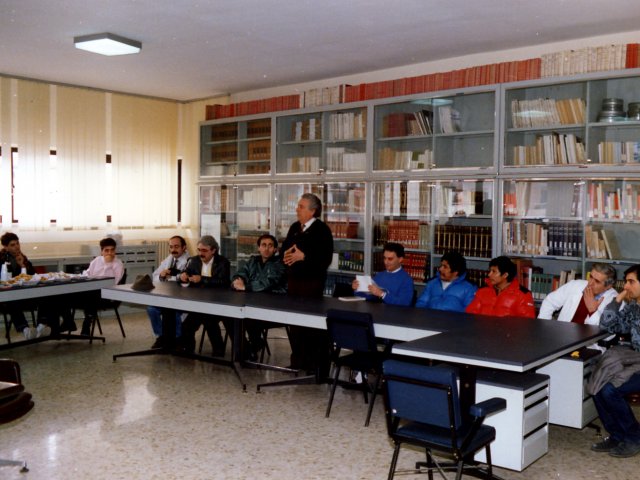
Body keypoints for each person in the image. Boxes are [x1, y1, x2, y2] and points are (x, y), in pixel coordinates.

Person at [589, 264, 640, 458]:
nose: (626, 286)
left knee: (610, 390)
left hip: (636, 361)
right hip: (634, 357)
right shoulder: (635, 306)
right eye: (625, 281)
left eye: (631, 282)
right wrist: (618, 299)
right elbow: (608, 324)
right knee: (597, 382)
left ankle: (634, 436)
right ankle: (618, 435)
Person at [281, 193, 333, 373]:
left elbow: (325, 258)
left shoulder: (322, 230)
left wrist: (304, 256)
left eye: (301, 206)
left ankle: (314, 365)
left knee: (311, 326)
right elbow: (285, 249)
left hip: (311, 284)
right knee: (294, 324)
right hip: (294, 282)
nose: (297, 209)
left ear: (312, 211)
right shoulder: (295, 227)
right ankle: (297, 360)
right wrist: (287, 255)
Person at [231, 233, 287, 358]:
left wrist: (246, 287)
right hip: (253, 302)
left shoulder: (279, 264)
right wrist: (237, 280)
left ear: (275, 249)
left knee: (249, 318)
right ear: (258, 248)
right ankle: (246, 349)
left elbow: (268, 283)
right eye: (263, 245)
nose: (266, 249)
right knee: (231, 316)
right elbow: (241, 272)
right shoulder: (253, 261)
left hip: (273, 306)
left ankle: (253, 346)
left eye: (270, 246)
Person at [178, 235, 231, 355]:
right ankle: (188, 349)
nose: (201, 253)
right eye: (199, 250)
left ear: (213, 250)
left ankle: (218, 350)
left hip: (218, 302)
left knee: (208, 320)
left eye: (204, 251)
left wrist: (202, 279)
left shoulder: (223, 262)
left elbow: (223, 282)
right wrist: (182, 276)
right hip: (199, 303)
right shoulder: (193, 261)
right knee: (186, 325)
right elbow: (182, 274)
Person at [147, 235, 190, 349]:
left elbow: (183, 280)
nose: (173, 250)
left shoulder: (189, 261)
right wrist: (161, 276)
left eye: (176, 246)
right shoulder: (169, 259)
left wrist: (170, 277)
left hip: (182, 298)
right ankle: (161, 337)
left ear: (184, 247)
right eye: (171, 247)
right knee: (151, 309)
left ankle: (177, 338)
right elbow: (155, 276)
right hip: (166, 297)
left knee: (173, 311)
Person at [538, 263, 617, 325]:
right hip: (562, 336)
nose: (590, 283)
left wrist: (593, 310)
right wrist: (545, 326)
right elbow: (550, 302)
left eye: (597, 281)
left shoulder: (615, 300)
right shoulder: (575, 285)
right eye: (591, 277)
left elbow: (606, 331)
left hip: (590, 344)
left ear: (608, 286)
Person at [0, 232, 42, 339]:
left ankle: (42, 326)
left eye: (18, 243)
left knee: (45, 296)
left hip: (25, 294)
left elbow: (33, 276)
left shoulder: (23, 257)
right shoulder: (1, 259)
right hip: (6, 297)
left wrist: (22, 265)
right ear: (5, 247)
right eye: (12, 245)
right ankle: (25, 329)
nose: (17, 247)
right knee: (12, 300)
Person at [80, 237, 125, 335]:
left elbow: (113, 283)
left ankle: (88, 320)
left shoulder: (118, 264)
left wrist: (108, 264)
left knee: (90, 294)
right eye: (106, 250)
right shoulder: (97, 260)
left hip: (107, 294)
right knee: (68, 293)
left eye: (112, 250)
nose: (109, 253)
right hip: (91, 291)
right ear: (101, 252)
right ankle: (67, 321)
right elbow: (88, 274)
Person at [465, 255, 535, 318]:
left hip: (508, 332)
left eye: (494, 271)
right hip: (481, 331)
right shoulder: (483, 291)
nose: (489, 274)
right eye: (489, 271)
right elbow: (470, 315)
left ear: (505, 275)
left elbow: (527, 324)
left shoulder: (523, 295)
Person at [352, 242, 414, 306]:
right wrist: (358, 289)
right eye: (384, 258)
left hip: (394, 315)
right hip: (377, 312)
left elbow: (404, 303)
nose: (386, 262)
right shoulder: (379, 275)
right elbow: (369, 297)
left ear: (400, 259)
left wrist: (382, 294)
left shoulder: (406, 280)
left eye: (390, 259)